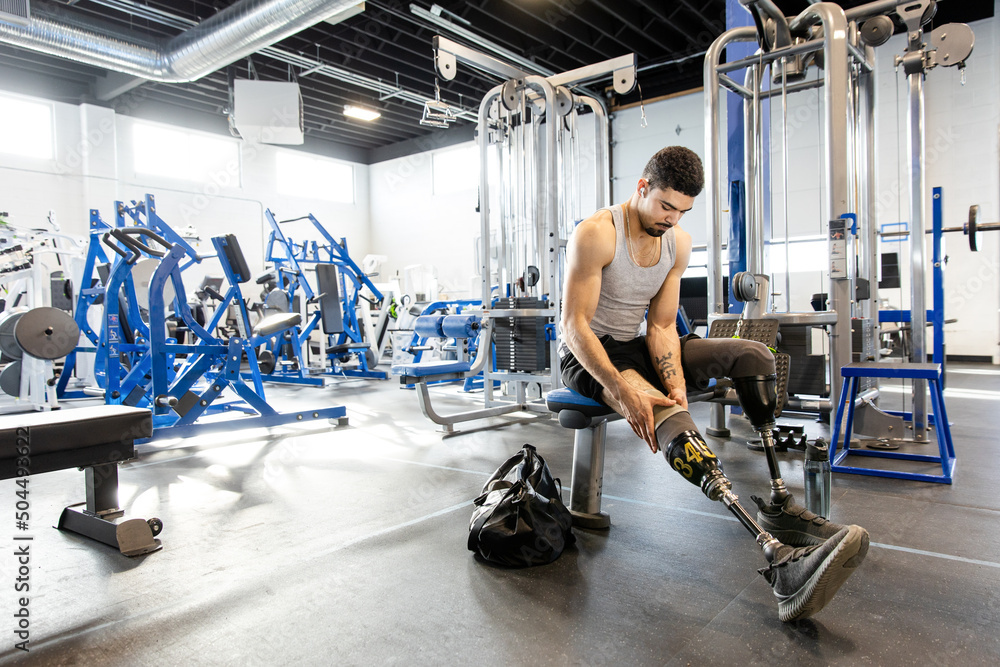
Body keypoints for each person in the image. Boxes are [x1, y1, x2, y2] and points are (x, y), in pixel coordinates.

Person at [559, 146, 868, 622]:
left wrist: (675, 381)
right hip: (588, 353)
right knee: (665, 412)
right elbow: (573, 325)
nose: (672, 219)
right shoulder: (597, 233)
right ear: (642, 188)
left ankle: (779, 504)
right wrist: (625, 390)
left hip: (637, 344)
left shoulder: (676, 243)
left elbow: (662, 325)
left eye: (682, 211)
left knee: (754, 355)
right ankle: (778, 560)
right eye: (665, 206)